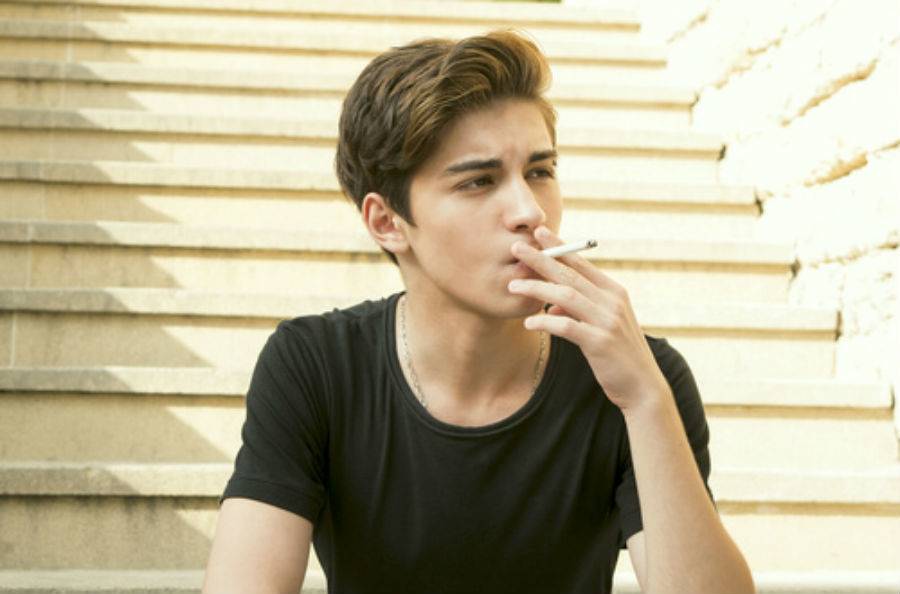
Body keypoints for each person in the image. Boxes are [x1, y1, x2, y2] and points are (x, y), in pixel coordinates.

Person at [202, 30, 755, 594]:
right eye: (479, 182)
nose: (529, 210)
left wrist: (645, 399)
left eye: (540, 171)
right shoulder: (315, 366)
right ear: (387, 222)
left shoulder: (635, 374)